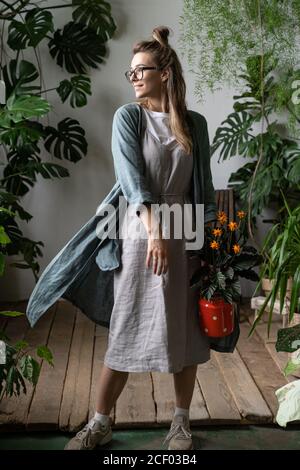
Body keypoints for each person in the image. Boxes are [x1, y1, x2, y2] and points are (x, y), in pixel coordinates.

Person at [64, 25, 216, 451]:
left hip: (184, 232)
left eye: (140, 70)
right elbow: (132, 181)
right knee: (127, 324)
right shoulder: (128, 117)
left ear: (164, 73)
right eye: (129, 72)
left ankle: (180, 422)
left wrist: (211, 247)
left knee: (185, 331)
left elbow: (202, 186)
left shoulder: (195, 124)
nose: (132, 77)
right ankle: (99, 422)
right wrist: (154, 232)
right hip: (139, 229)